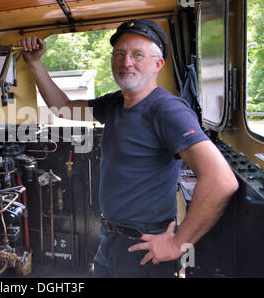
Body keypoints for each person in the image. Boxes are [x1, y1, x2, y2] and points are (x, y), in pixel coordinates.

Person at [17, 19, 238, 278]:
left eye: (137, 55)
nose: (126, 62)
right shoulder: (115, 103)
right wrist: (34, 63)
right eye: (119, 54)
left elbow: (221, 180)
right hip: (110, 238)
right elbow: (62, 107)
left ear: (158, 64)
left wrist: (178, 244)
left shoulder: (168, 110)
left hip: (144, 244)